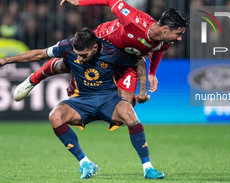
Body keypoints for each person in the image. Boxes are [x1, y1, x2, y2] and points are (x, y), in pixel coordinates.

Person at [0, 27, 164, 180]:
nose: (79, 58)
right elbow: (39, 54)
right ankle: (85, 162)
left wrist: (142, 91)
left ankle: (147, 167)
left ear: (94, 47)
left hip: (109, 99)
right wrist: (7, 60)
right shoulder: (67, 46)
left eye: (83, 55)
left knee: (130, 113)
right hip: (82, 100)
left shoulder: (112, 52)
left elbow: (139, 61)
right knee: (55, 116)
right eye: (77, 54)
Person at [14, 0, 188, 105]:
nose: (179, 38)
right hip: (102, 43)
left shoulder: (165, 41)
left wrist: (151, 73)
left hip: (123, 58)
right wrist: (80, 2)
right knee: (65, 65)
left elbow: (158, 50)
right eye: (178, 34)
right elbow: (109, 0)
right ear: (166, 29)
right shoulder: (134, 20)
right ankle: (33, 79)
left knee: (126, 107)